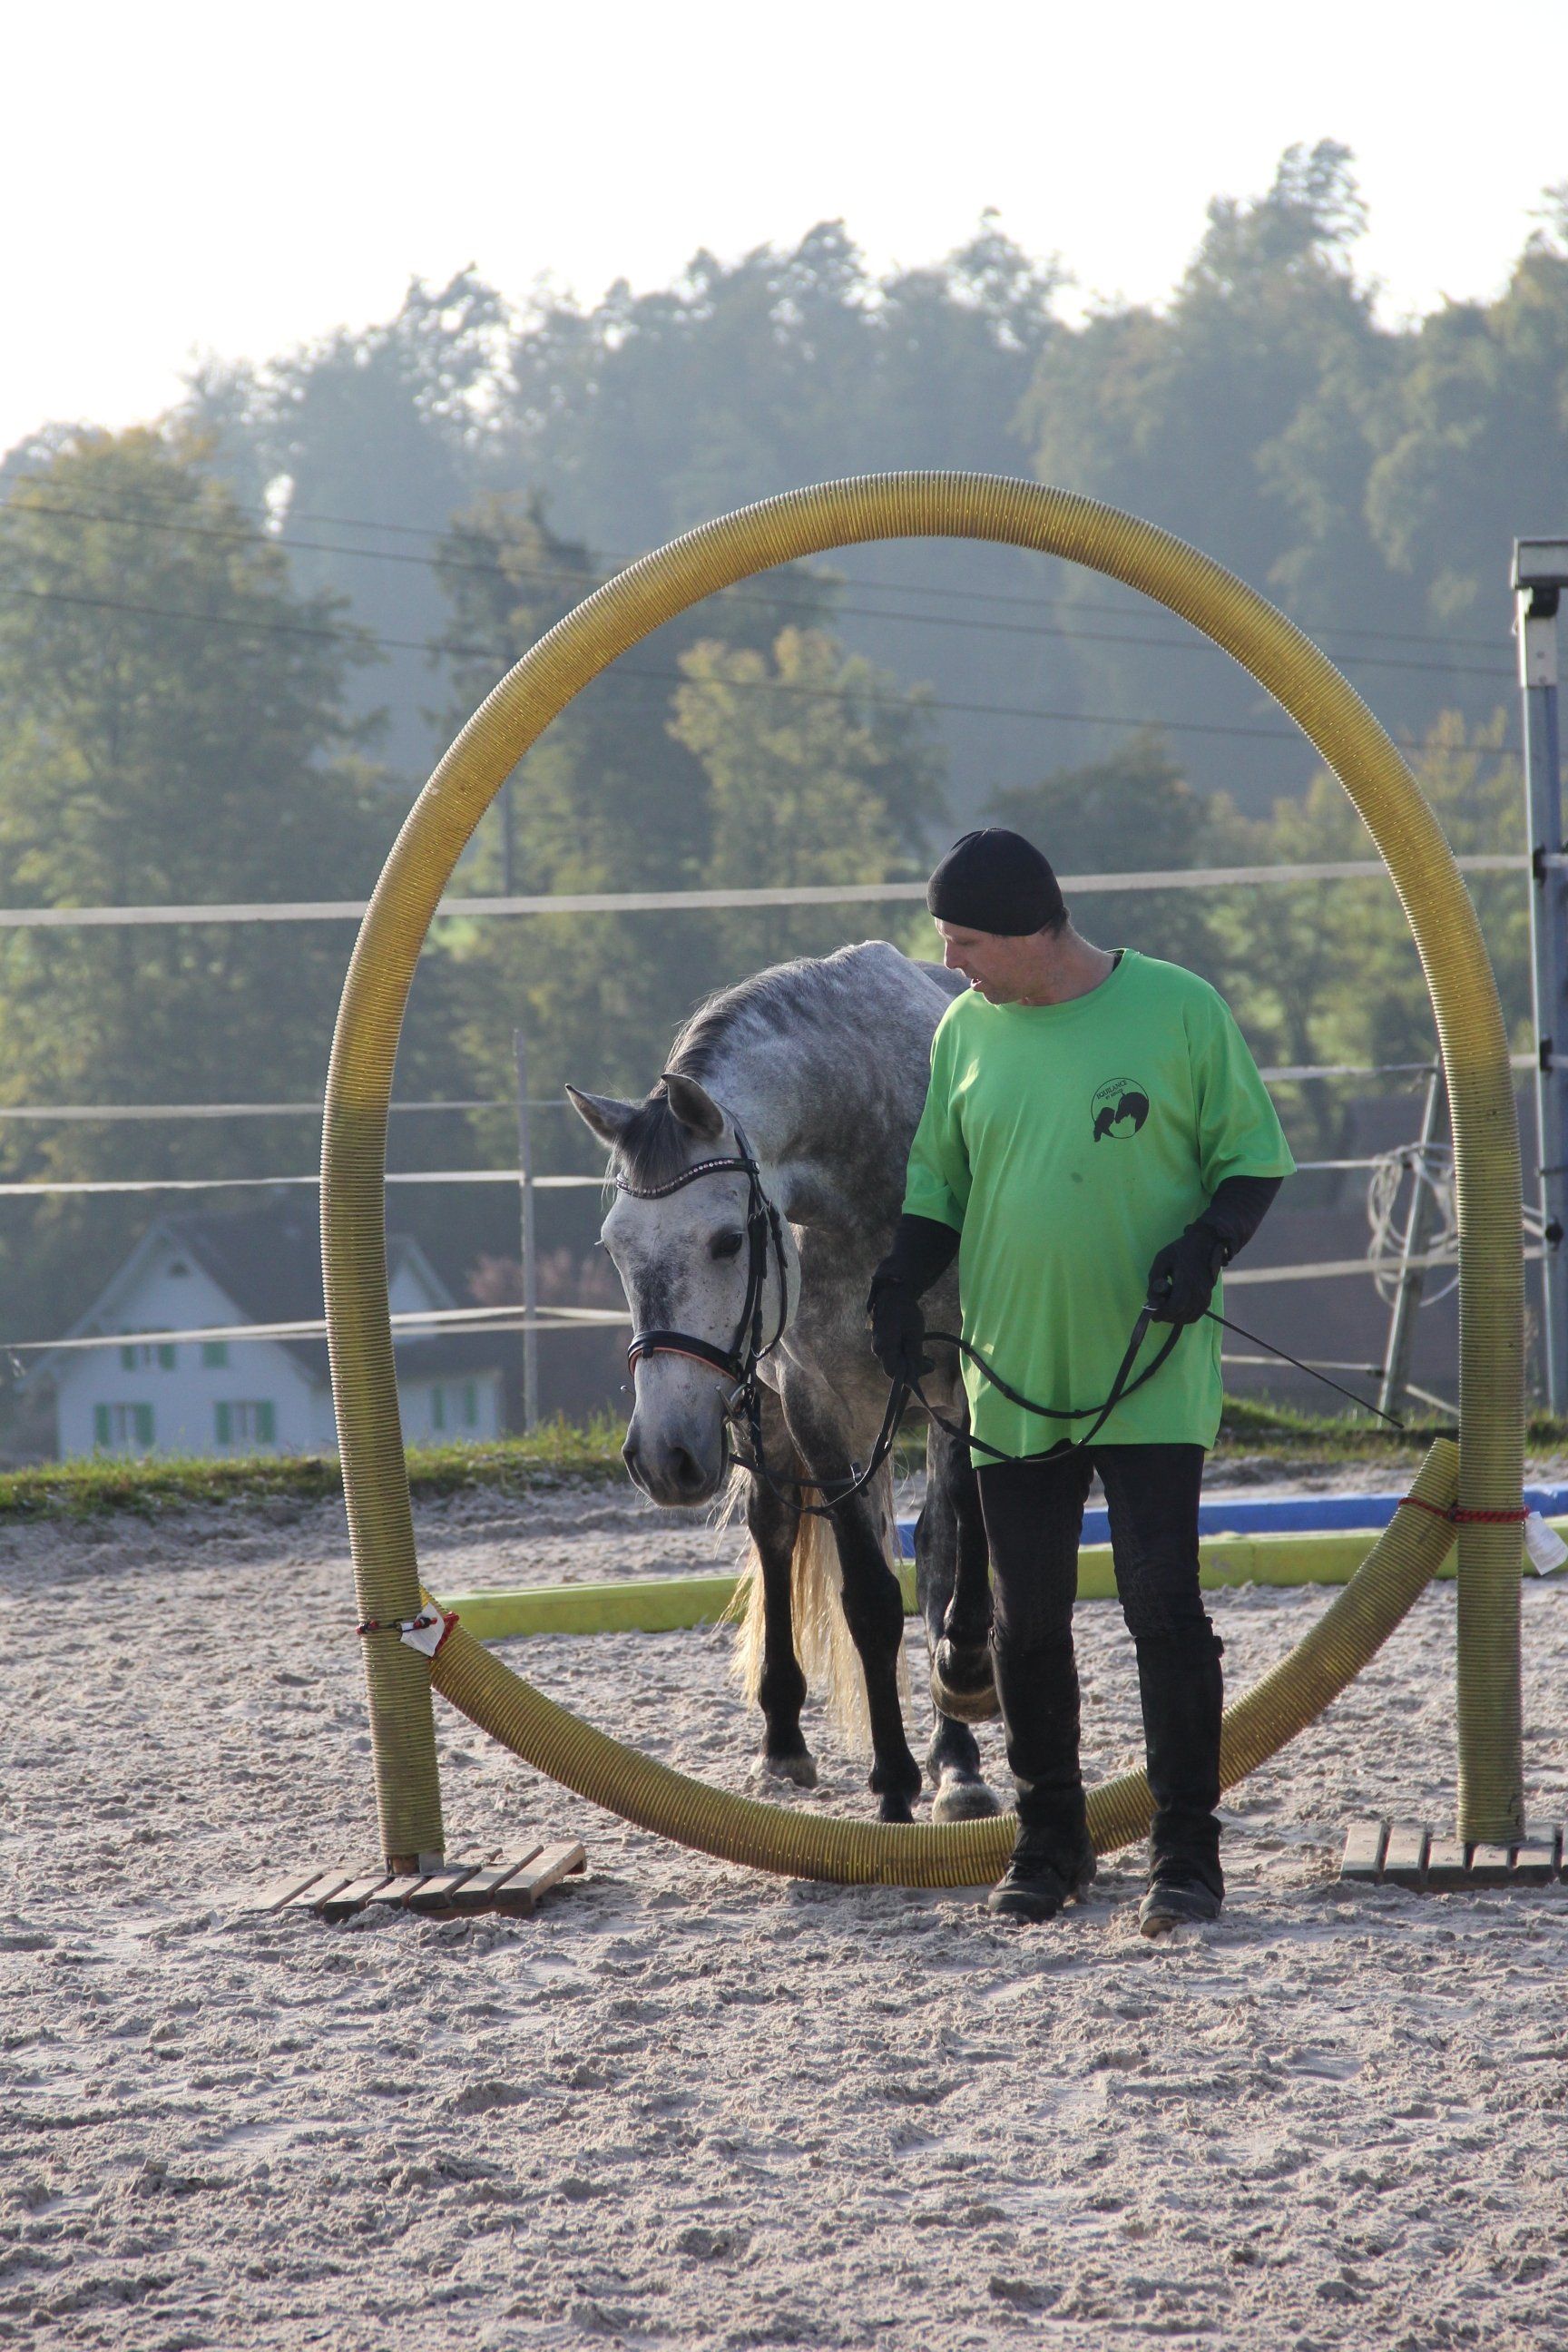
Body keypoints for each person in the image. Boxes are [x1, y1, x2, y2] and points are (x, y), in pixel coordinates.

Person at [868, 827, 1293, 1934]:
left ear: (1030, 929)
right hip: (1012, 1376)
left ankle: (1186, 1859)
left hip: (1149, 1373)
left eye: (964, 941)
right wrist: (896, 1283)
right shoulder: (966, 1032)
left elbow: (1250, 1160)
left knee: (1162, 1607)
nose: (953, 962)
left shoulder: (1180, 1010)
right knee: (1025, 1623)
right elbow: (936, 1189)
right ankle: (1050, 1842)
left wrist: (1208, 1247)